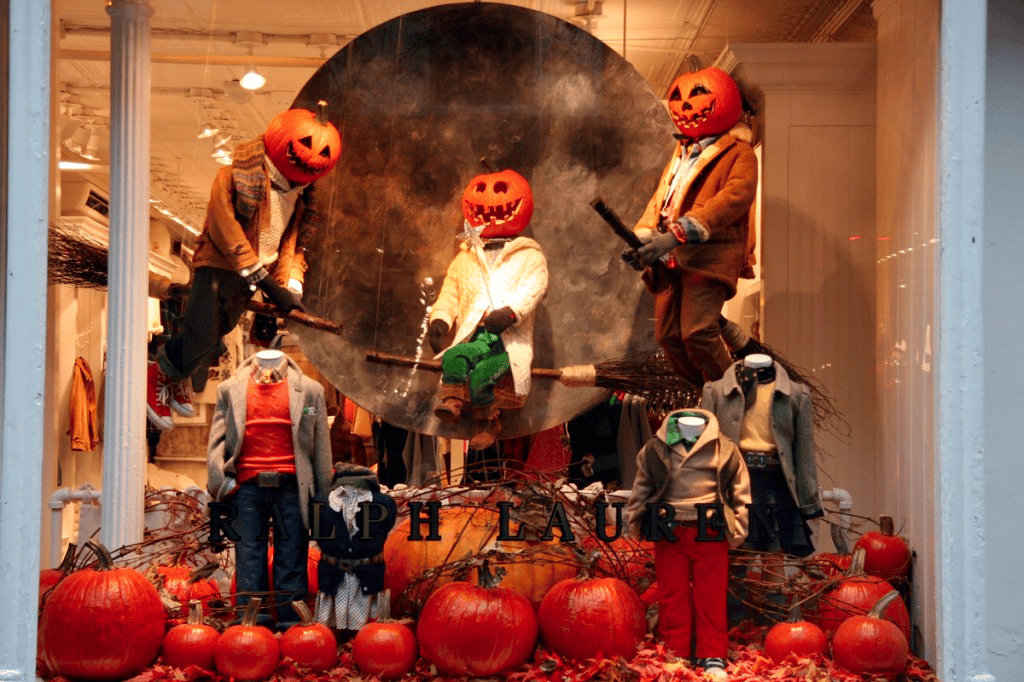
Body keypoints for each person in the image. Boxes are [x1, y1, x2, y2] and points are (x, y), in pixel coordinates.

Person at [146, 103, 341, 430]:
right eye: (307, 143)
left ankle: (175, 375)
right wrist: (267, 283)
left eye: (323, 151)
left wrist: (290, 285)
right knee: (201, 333)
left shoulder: (302, 198)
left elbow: (293, 247)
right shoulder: (234, 177)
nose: (312, 155)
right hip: (220, 267)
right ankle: (161, 374)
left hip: (252, 277)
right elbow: (227, 230)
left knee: (218, 332)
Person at [622, 67, 757, 387]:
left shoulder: (739, 152)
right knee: (668, 335)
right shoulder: (679, 156)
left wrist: (679, 233)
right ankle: (707, 391)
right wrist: (642, 236)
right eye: (678, 96)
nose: (684, 105)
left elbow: (735, 198)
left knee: (698, 331)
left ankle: (731, 392)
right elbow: (660, 201)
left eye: (697, 94)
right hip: (671, 262)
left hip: (707, 257)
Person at [207, 348, 333, 630]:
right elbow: (217, 439)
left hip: (293, 487)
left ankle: (291, 624)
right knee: (249, 555)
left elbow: (321, 447)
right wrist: (221, 482)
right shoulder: (230, 390)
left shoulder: (310, 392)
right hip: (247, 487)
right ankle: (251, 626)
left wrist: (322, 500)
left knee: (292, 556)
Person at [626, 408, 750, 681]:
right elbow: (642, 486)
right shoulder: (656, 449)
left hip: (711, 527)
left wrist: (739, 527)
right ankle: (676, 650)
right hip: (668, 528)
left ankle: (712, 653)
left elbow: (740, 490)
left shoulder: (724, 448)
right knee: (672, 593)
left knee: (711, 594)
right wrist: (635, 519)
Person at [428, 169, 548, 449]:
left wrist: (510, 313)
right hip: (478, 336)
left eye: (501, 190)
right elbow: (451, 293)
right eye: (481, 189)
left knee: (484, 372)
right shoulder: (465, 258)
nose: (490, 198)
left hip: (508, 342)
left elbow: (534, 289)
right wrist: (440, 320)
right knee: (456, 355)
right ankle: (452, 402)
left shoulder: (529, 256)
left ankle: (486, 423)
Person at [701, 354, 822, 579]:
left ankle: (774, 612)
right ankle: (737, 612)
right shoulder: (715, 392)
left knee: (773, 559)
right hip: (734, 484)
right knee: (736, 558)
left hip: (775, 483)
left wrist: (809, 504)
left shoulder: (796, 394)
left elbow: (804, 455)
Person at [312, 462, 397, 639]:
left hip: (368, 575)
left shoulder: (385, 504)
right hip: (333, 576)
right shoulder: (322, 503)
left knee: (370, 635)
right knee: (329, 635)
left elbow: (385, 526)